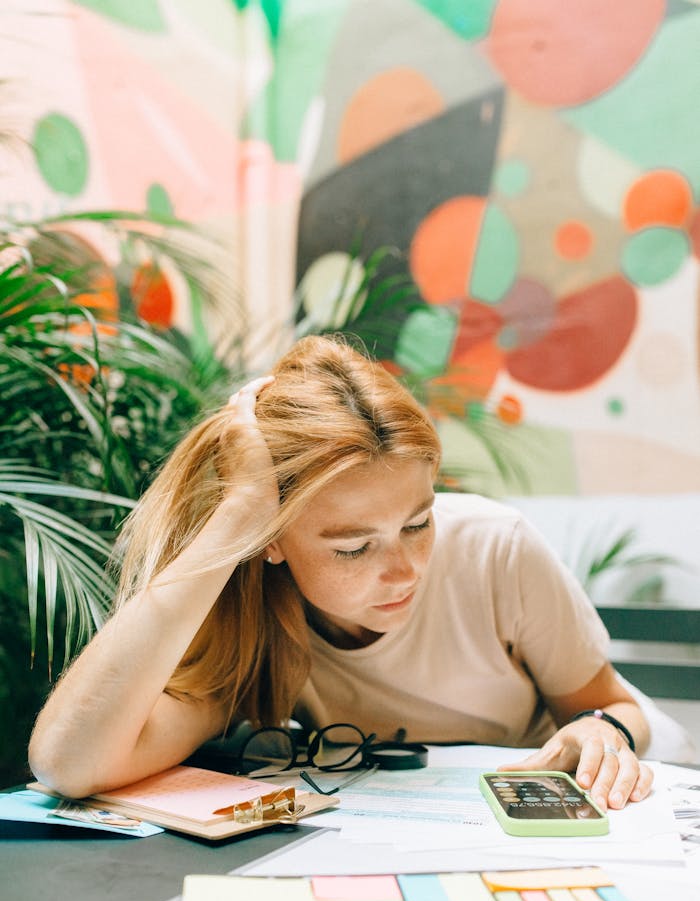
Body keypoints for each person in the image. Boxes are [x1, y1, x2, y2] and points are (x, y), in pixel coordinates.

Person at [29, 335, 653, 810]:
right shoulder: (258, 626)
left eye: (417, 524)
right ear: (270, 542)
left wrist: (603, 731)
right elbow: (67, 763)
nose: (403, 569)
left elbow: (615, 706)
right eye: (353, 547)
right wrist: (237, 518)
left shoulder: (495, 548)